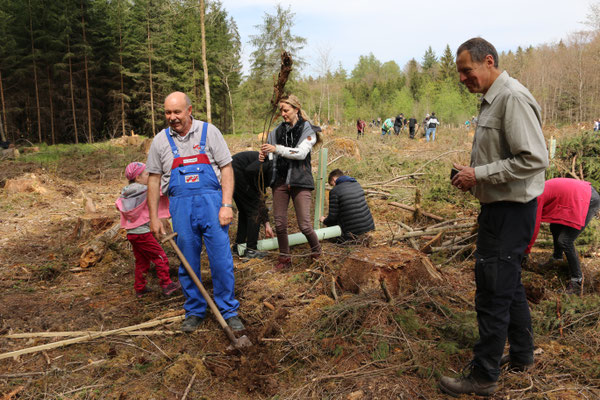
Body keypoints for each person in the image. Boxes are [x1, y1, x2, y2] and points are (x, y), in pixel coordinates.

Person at [441, 38, 549, 397]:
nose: (462, 78)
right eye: (459, 72)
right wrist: (471, 175)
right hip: (499, 208)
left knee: (493, 292)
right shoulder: (491, 100)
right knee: (509, 284)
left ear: (488, 62)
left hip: (511, 213)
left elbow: (534, 159)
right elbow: (504, 158)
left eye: (466, 70)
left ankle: (484, 376)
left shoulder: (512, 98)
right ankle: (521, 355)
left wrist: (481, 175)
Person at [146, 91, 243, 333]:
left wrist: (226, 204)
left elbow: (227, 168)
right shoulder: (160, 141)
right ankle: (195, 310)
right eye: (168, 112)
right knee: (187, 262)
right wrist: (154, 217)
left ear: (189, 110)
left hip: (213, 205)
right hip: (180, 207)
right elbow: (153, 180)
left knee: (221, 261)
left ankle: (228, 310)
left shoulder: (210, 132)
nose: (172, 117)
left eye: (177, 112)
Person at [259, 94, 322, 270]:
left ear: (296, 109)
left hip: (300, 181)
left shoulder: (308, 129)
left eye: (286, 110)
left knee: (305, 225)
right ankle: (285, 259)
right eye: (281, 110)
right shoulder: (277, 131)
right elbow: (271, 155)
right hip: (279, 181)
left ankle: (317, 252)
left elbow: (301, 153)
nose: (283, 113)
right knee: (279, 223)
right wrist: (264, 156)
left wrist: (276, 149)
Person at [115, 162, 181, 298]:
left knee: (142, 261)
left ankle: (140, 287)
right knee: (160, 257)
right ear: (138, 178)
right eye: (147, 174)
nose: (150, 177)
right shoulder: (145, 190)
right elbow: (161, 191)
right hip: (143, 233)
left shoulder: (126, 193)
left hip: (132, 233)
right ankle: (167, 284)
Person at [525, 178, 600, 295]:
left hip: (588, 199)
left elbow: (534, 226)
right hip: (578, 195)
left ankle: (577, 281)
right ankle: (557, 259)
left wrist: (526, 250)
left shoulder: (536, 196)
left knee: (565, 240)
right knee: (554, 227)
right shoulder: (534, 190)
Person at [231, 151, 275, 258]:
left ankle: (238, 247)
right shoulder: (271, 166)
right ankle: (251, 250)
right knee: (254, 212)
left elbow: (261, 197)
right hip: (238, 172)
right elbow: (250, 170)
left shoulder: (268, 169)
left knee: (245, 212)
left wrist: (267, 223)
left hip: (232, 172)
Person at [319, 169, 375, 242]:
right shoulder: (356, 184)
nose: (333, 187)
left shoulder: (335, 191)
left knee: (331, 237)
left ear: (334, 179)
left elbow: (332, 217)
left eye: (332, 184)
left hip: (352, 234)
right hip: (369, 228)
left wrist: (324, 220)